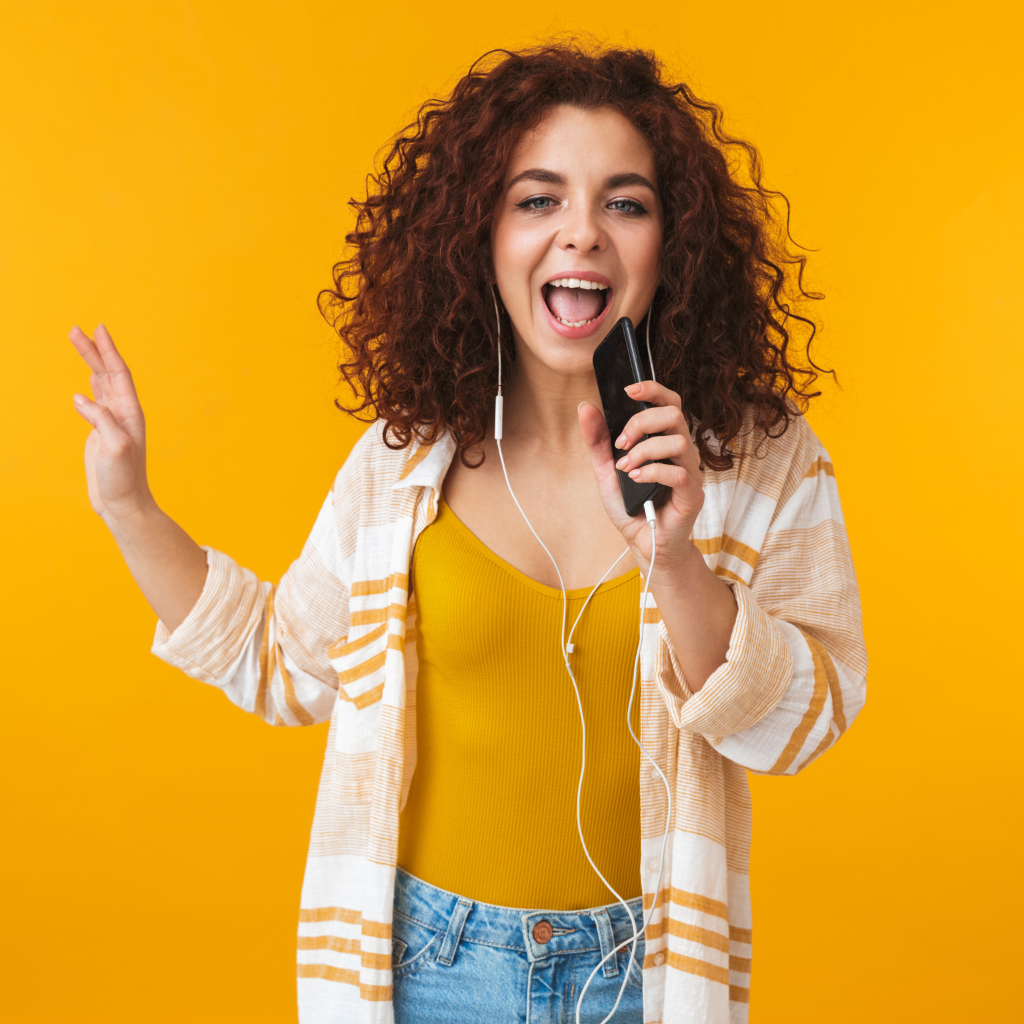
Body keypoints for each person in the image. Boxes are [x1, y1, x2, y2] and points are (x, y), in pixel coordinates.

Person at [70, 44, 866, 1024]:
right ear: (479, 234)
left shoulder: (762, 456)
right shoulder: (402, 461)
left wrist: (676, 562)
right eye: (537, 200)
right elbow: (282, 663)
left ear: (675, 242)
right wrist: (129, 505)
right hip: (421, 968)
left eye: (625, 202)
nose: (582, 234)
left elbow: (806, 724)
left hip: (641, 974)